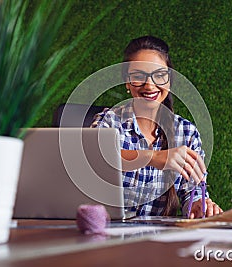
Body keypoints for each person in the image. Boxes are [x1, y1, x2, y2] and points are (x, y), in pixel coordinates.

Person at [91, 35, 222, 218]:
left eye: (159, 75)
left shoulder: (186, 133)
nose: (150, 85)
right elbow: (93, 158)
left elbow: (191, 193)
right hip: (110, 233)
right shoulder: (109, 121)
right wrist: (152, 157)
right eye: (138, 76)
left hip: (160, 238)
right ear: (127, 83)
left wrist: (197, 205)